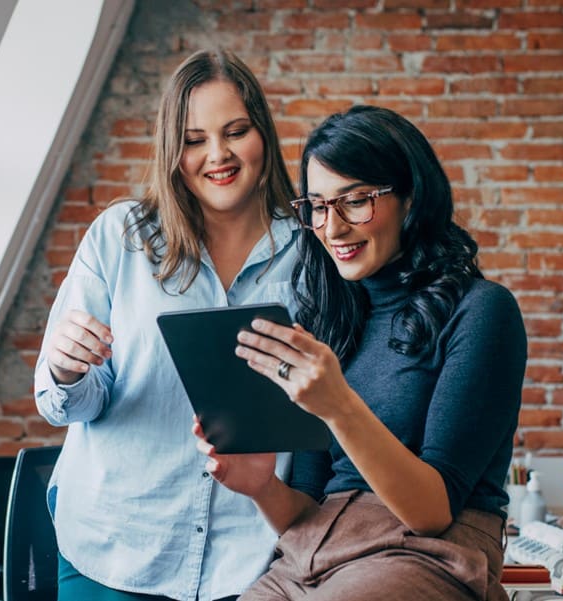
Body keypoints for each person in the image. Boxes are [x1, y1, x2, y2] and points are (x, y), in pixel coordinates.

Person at [194, 105, 527, 600]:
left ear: (411, 198)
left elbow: (432, 511)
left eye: (355, 201)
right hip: (311, 555)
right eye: (318, 206)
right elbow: (306, 513)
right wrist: (261, 485)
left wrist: (338, 404)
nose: (333, 228)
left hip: (422, 553)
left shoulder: (482, 311)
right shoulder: (332, 323)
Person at [34, 48, 301, 601]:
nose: (218, 155)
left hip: (252, 558)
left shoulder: (309, 251)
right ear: (170, 150)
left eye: (236, 131)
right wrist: (65, 368)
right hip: (115, 545)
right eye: (195, 139)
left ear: (264, 136)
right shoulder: (120, 238)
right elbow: (71, 404)